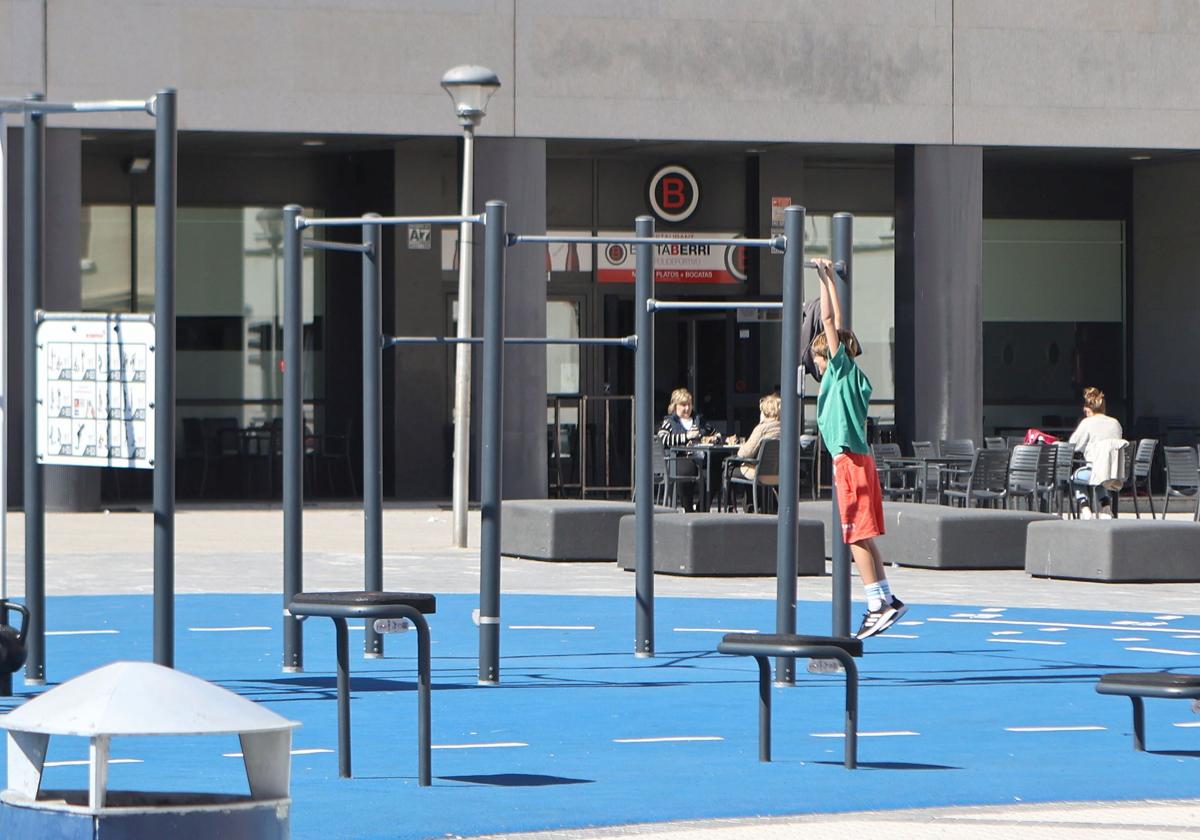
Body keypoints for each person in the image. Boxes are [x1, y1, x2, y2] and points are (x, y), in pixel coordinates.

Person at [810, 258, 906, 639]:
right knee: (862, 534)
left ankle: (876, 604)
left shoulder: (841, 372)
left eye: (819, 361)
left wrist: (824, 279)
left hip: (849, 460)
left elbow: (830, 322)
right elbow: (838, 326)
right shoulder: (856, 379)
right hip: (859, 458)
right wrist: (830, 281)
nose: (818, 368)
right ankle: (885, 597)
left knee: (853, 535)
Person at [1067, 386, 1124, 519]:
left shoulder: (1087, 423)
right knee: (1099, 475)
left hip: (1097, 471)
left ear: (1088, 409)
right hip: (1115, 471)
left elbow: (1074, 445)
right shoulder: (1116, 423)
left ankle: (1085, 507)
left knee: (1076, 477)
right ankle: (1106, 507)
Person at [658, 387, 715, 511]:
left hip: (702, 457)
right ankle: (688, 508)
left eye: (689, 404)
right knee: (685, 471)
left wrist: (713, 438)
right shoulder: (670, 422)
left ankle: (702, 507)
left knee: (716, 470)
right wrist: (686, 437)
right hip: (680, 457)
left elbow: (714, 433)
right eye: (683, 405)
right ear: (675, 406)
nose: (687, 408)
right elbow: (663, 439)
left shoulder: (698, 420)